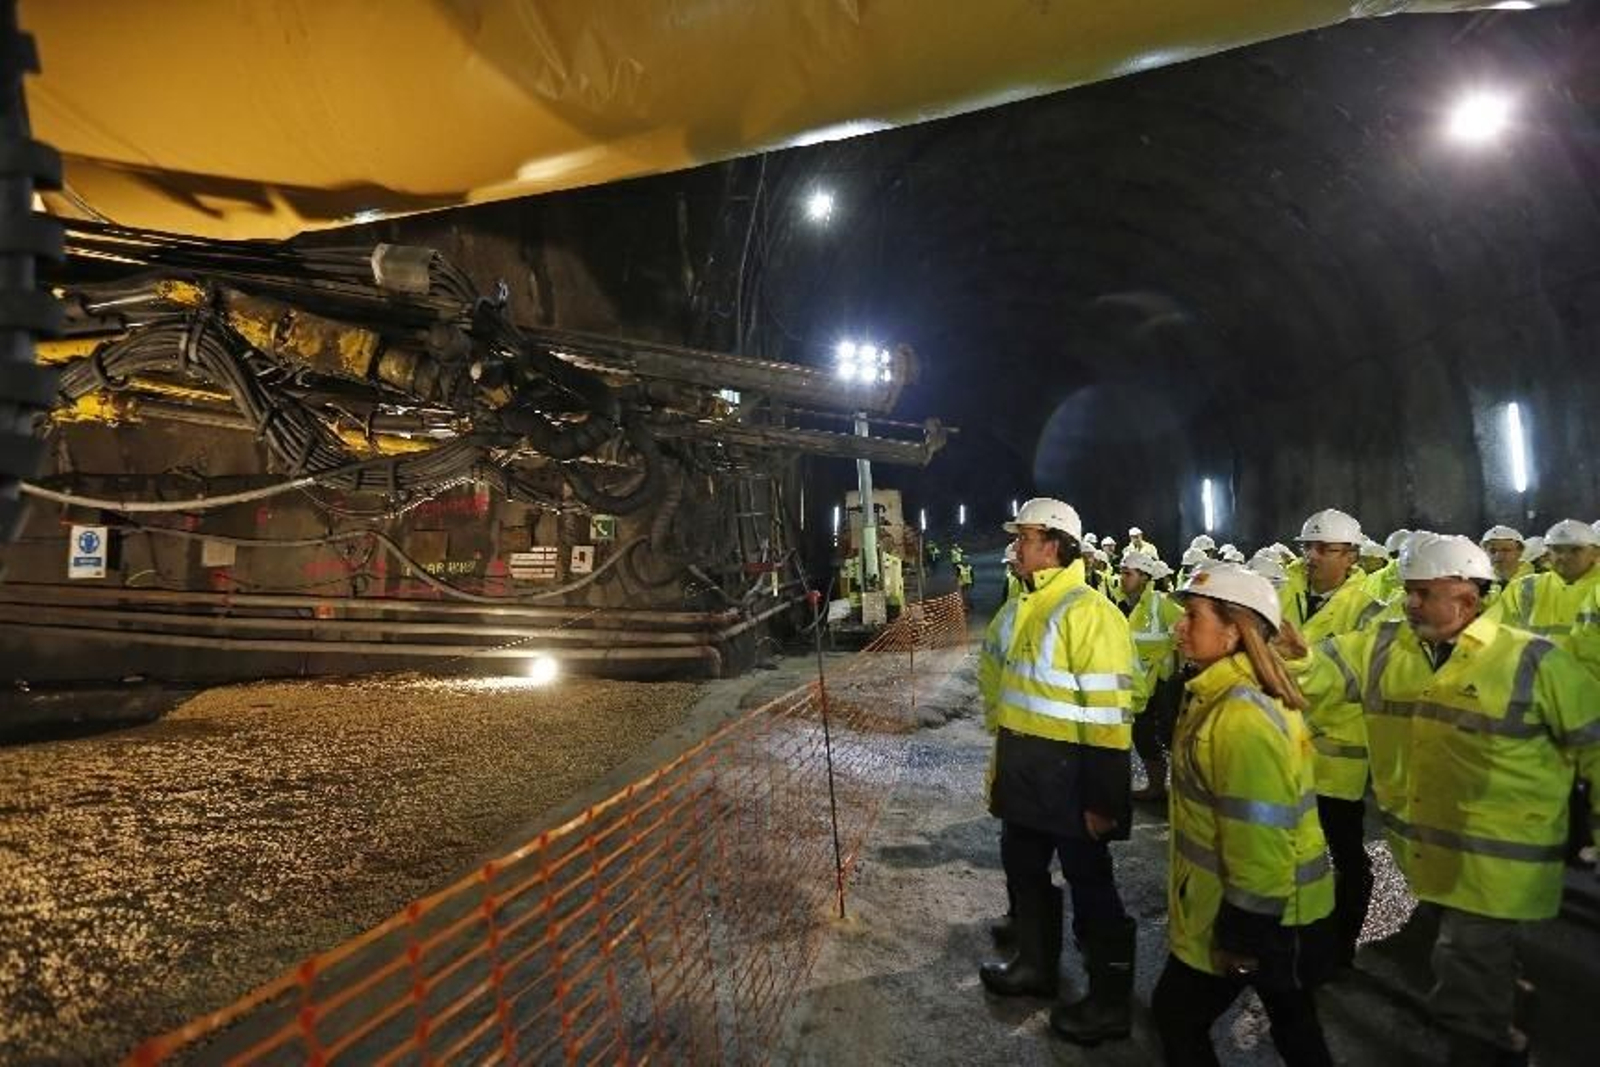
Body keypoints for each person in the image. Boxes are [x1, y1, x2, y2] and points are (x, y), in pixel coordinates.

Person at [1280, 534, 1600, 1064]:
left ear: (1467, 598)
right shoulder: (1384, 647)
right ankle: (1506, 1003)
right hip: (1428, 853)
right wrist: (1296, 660)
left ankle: (1486, 1046)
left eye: (1423, 593)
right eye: (1407, 591)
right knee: (1474, 955)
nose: (1408, 603)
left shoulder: (1530, 661)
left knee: (1463, 969)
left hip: (1497, 858)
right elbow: (1321, 673)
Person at [1151, 562, 1337, 1067]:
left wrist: (1242, 937)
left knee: (1176, 1017)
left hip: (1263, 916)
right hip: (1273, 911)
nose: (1180, 627)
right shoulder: (1217, 694)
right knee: (1294, 1019)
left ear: (1235, 630)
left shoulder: (1240, 719)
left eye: (1193, 616)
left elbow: (1260, 840)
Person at [976, 497, 1139, 1046]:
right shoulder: (1026, 605)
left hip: (1071, 778)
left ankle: (1110, 1002)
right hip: (1027, 771)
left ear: (1053, 544)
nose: (1016, 547)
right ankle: (1036, 967)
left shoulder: (1088, 612)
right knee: (1022, 868)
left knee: (1091, 885)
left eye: (1024, 537)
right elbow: (1010, 691)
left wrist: (1104, 799)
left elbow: (1109, 717)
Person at [1280, 507, 1384, 970]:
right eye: (1309, 547)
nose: (1314, 556)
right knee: (1289, 850)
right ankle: (1297, 933)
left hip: (1336, 754)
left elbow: (1356, 675)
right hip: (1286, 746)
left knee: (1344, 855)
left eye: (1326, 549)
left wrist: (1300, 664)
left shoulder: (1369, 609)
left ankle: (1339, 947)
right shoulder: (1287, 594)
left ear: (1352, 555)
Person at [1120, 550, 1183, 801]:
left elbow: (1185, 631)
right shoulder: (1123, 605)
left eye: (1128, 574)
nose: (1121, 578)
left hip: (1162, 686)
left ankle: (1176, 788)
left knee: (1170, 738)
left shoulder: (1160, 603)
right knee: (1143, 737)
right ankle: (1156, 786)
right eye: (1121, 573)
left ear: (1145, 577)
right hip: (1139, 687)